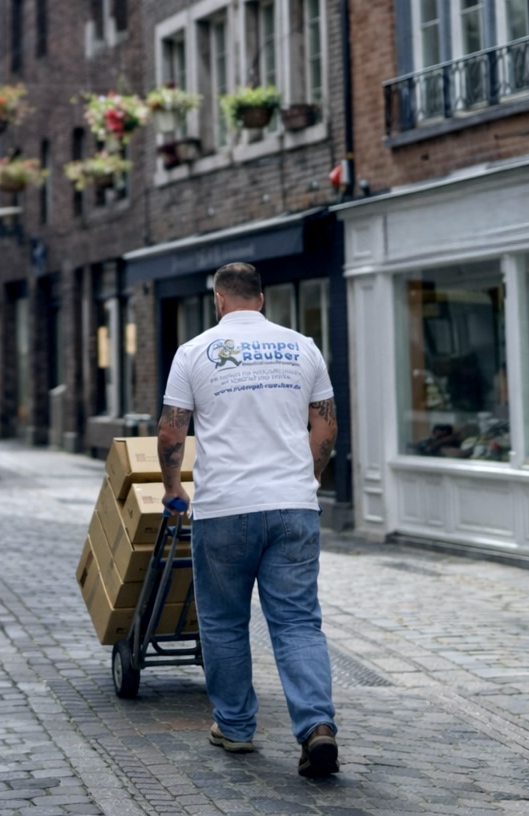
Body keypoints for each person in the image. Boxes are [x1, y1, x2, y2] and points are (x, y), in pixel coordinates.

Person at [157, 261, 340, 778]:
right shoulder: (303, 346)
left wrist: (174, 489)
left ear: (219, 301)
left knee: (223, 621)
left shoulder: (194, 352)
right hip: (293, 506)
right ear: (262, 299)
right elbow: (325, 426)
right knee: (299, 622)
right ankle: (317, 726)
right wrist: (311, 476)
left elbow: (173, 433)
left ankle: (236, 728)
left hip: (225, 510)